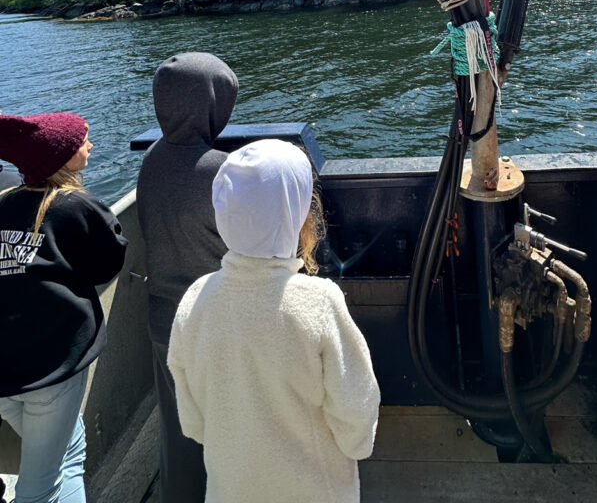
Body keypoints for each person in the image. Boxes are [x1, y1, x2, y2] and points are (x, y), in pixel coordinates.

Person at [167, 139, 381, 503]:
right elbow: (356, 416)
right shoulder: (319, 302)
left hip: (229, 490)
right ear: (295, 213)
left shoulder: (195, 300)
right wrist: (356, 443)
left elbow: (193, 420)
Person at [0, 113, 127, 503]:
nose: (90, 145)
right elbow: (108, 262)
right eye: (82, 141)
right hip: (50, 370)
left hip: (7, 371)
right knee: (40, 486)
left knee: (69, 452)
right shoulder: (76, 206)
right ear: (64, 157)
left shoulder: (5, 202)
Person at [136, 52, 238, 503]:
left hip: (163, 319)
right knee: (228, 431)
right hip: (215, 322)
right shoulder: (221, 170)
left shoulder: (153, 160)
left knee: (179, 433)